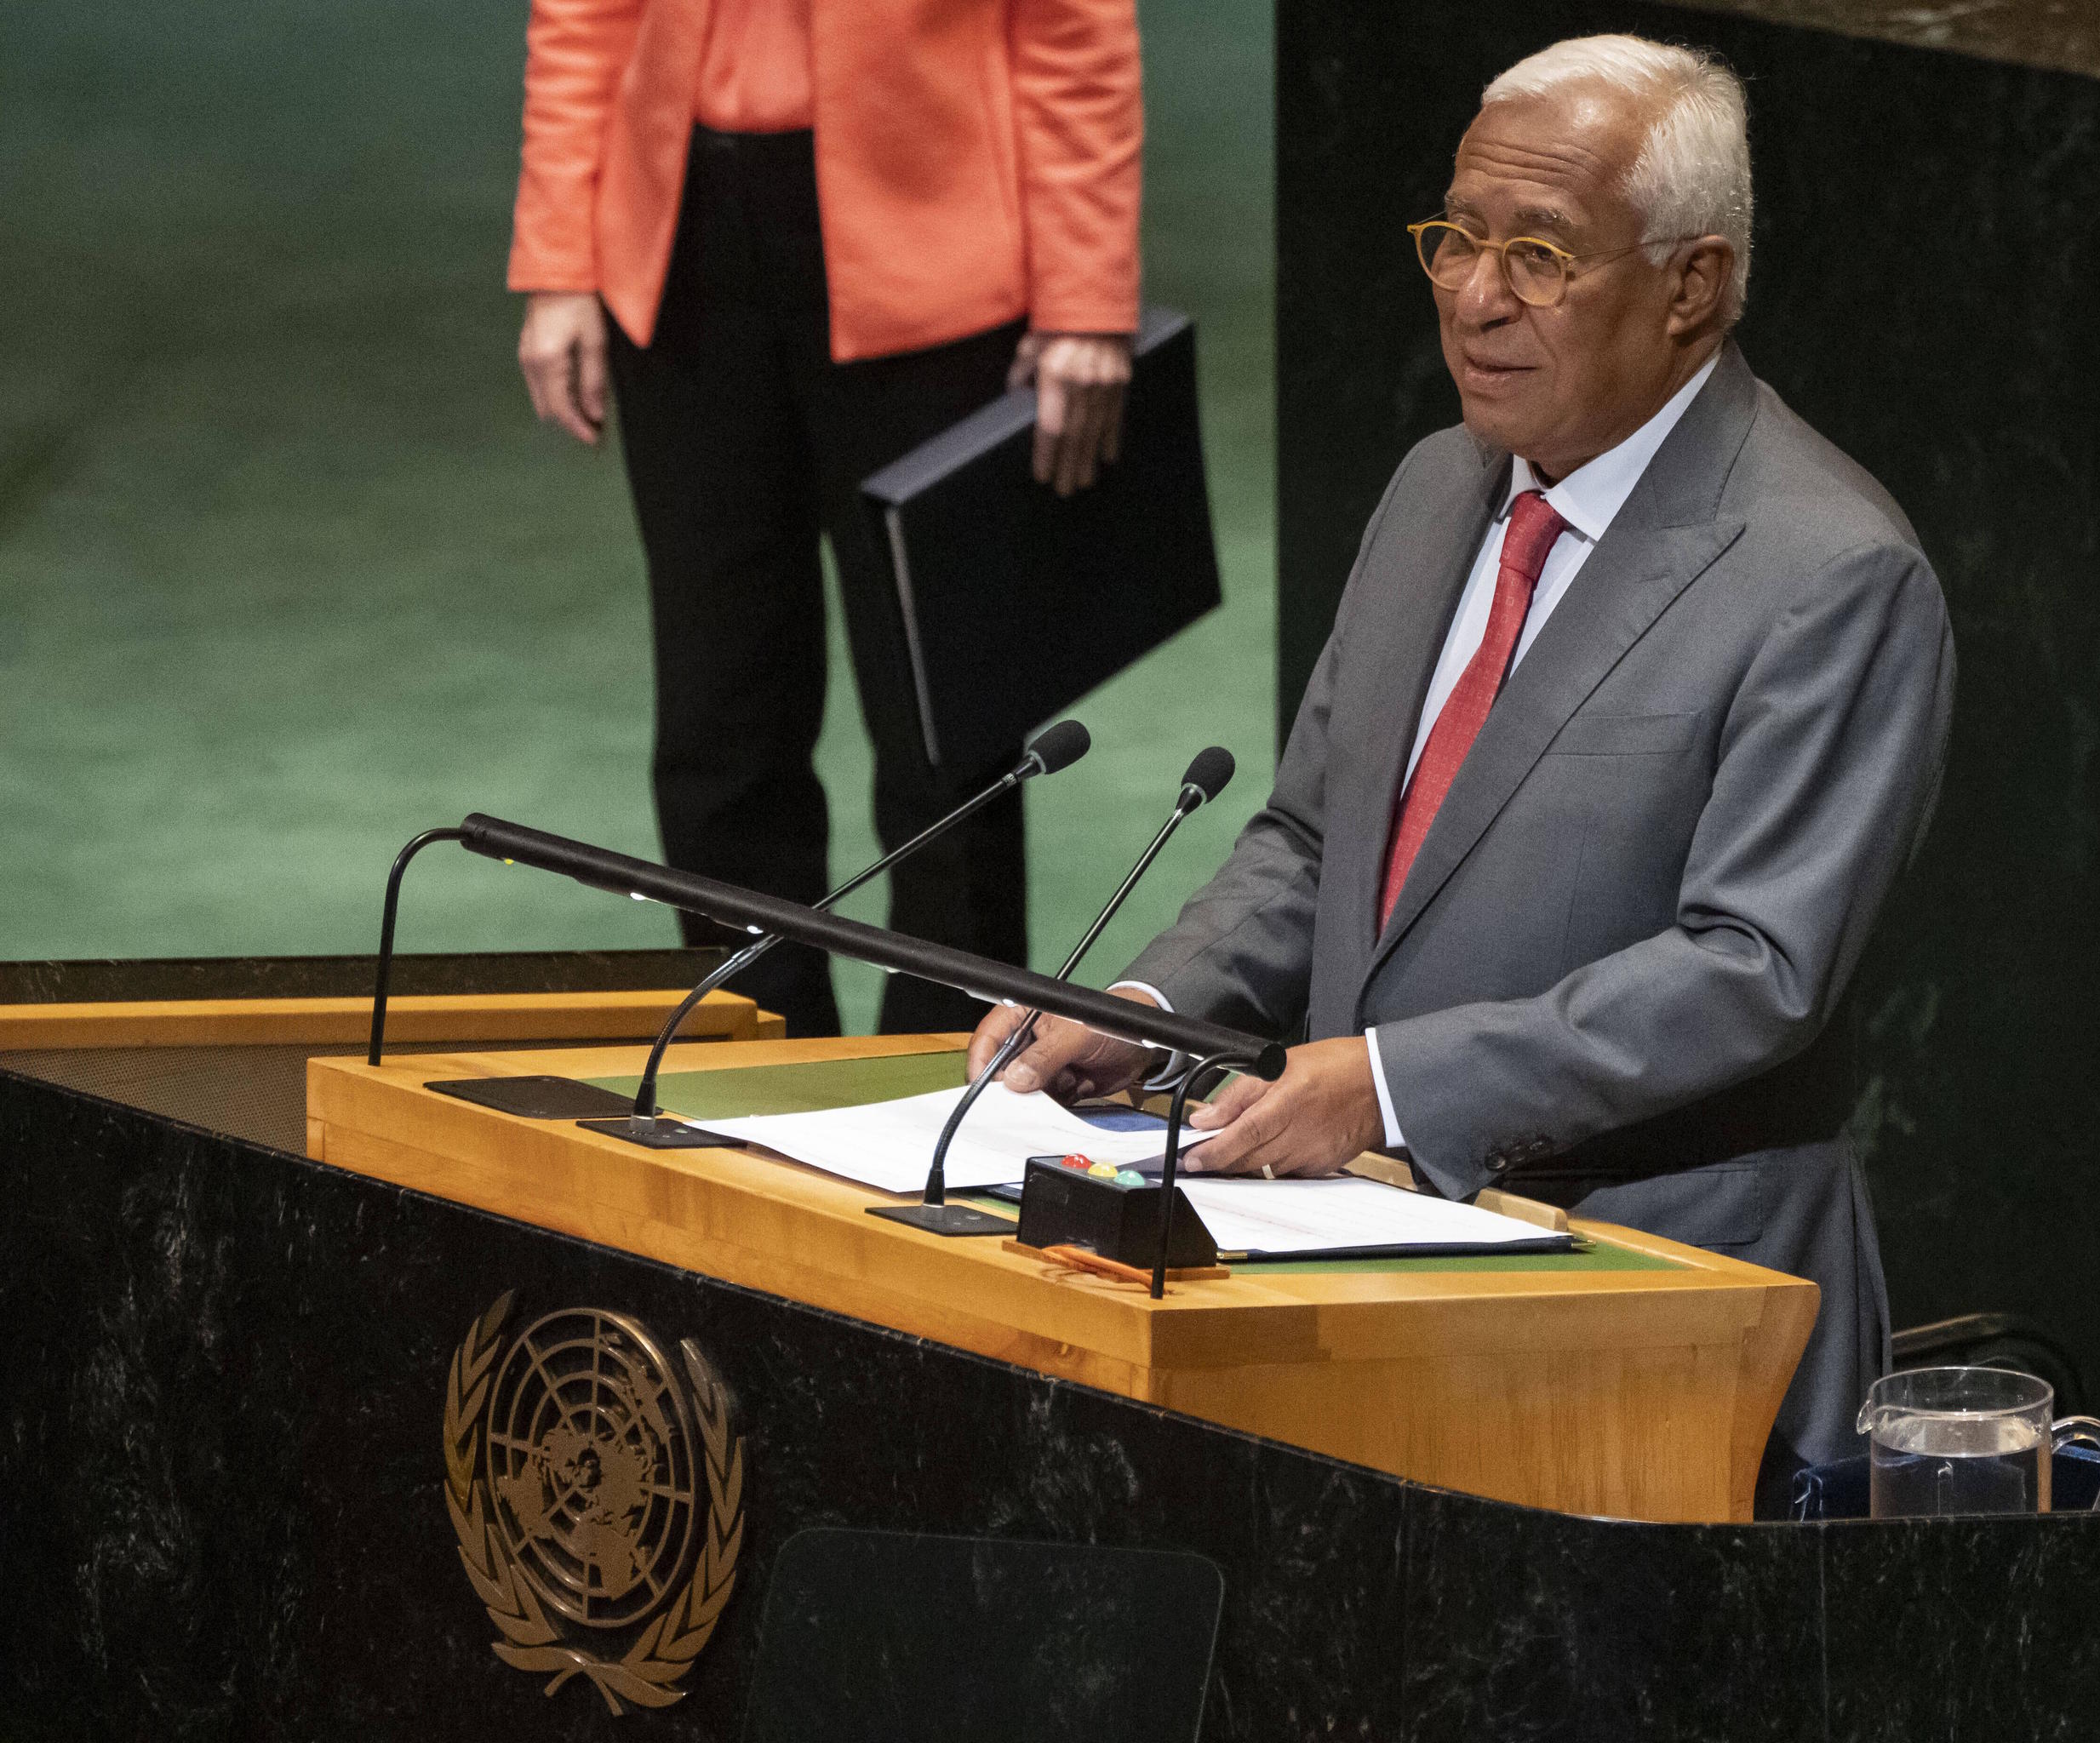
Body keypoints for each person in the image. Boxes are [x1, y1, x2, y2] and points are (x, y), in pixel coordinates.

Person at [972, 35, 1955, 1497]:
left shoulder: (1831, 572)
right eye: (1457, 238)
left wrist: (1388, 1083)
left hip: (1658, 1293)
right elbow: (1317, 839)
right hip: (1360, 1262)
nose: (1476, 297)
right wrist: (1147, 1005)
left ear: (1690, 284)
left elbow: (1751, 965)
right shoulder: (1438, 485)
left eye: (1542, 255)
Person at [507, 0, 1142, 1036]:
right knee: (718, 715)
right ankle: (749, 1053)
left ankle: (946, 1063)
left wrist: (1085, 294)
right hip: (680, 248)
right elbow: (581, 14)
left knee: (947, 732)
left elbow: (1075, 27)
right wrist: (559, 260)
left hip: (936, 250)